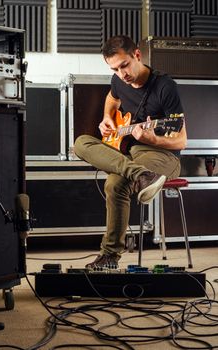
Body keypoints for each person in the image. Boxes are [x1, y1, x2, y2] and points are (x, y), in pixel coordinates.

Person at [74, 35, 187, 269]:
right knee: (81, 143)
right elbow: (112, 98)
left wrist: (153, 138)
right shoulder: (118, 82)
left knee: (115, 184)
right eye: (115, 69)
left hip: (162, 154)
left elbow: (181, 141)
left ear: (137, 55)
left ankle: (110, 256)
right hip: (131, 153)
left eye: (124, 65)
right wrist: (107, 117)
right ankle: (141, 175)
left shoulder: (165, 87)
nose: (121, 74)